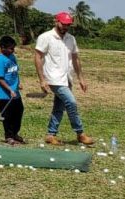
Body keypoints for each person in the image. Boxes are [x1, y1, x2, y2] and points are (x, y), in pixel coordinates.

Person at [34, 11, 95, 146]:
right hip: (54, 78)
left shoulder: (71, 39)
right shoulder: (46, 37)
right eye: (63, 24)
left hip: (67, 78)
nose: (65, 27)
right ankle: (80, 133)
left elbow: (75, 59)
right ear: (56, 22)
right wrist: (42, 79)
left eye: (68, 25)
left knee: (58, 108)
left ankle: (51, 134)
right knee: (71, 103)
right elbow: (38, 57)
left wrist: (81, 78)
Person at [0, 35, 25, 144]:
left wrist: (18, 84)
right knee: (7, 115)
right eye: (10, 48)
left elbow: (15, 72)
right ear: (2, 47)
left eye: (13, 48)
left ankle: (15, 133)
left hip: (15, 92)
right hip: (4, 93)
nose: (13, 50)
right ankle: (8, 136)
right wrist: (9, 90)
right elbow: (0, 78)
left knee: (19, 111)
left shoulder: (12, 57)